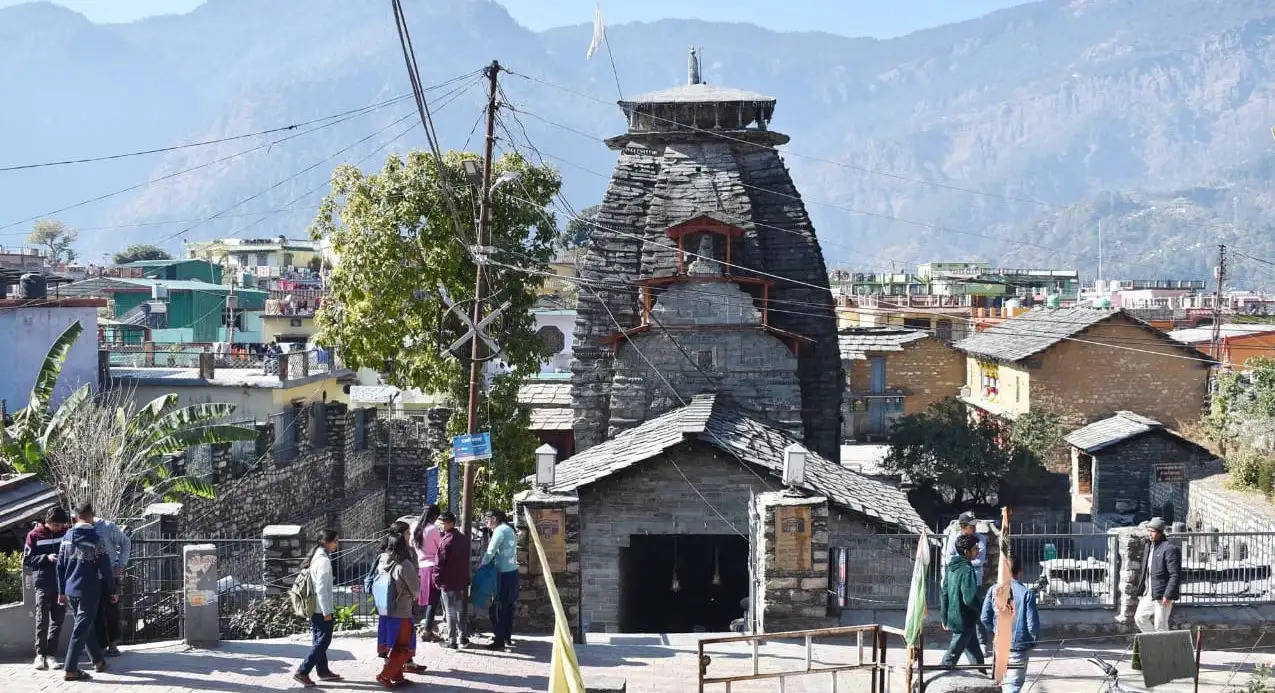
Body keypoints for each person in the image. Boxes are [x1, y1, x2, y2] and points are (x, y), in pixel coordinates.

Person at [56, 502, 117, 682]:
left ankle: (98, 661)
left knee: (85, 625)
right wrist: (112, 590)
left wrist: (61, 591)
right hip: (89, 590)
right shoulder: (95, 538)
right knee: (81, 628)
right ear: (91, 516)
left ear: (75, 516)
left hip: (70, 590)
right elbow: (105, 568)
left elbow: (59, 566)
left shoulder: (66, 536)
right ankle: (71, 669)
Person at [980, 555, 1040, 693]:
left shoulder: (994, 590)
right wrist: (1033, 641)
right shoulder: (1026, 594)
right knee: (1012, 685)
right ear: (1020, 572)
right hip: (1018, 646)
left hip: (1000, 643)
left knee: (1000, 682)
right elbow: (1032, 625)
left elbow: (984, 617)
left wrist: (995, 630)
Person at [293, 529, 342, 688]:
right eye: (335, 540)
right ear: (327, 542)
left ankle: (323, 671)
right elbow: (321, 588)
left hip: (315, 607)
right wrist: (327, 611)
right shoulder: (323, 560)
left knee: (318, 640)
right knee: (323, 641)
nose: (337, 543)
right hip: (321, 609)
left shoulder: (317, 556)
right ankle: (303, 671)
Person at [24, 506, 70, 670]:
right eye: (56, 525)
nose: (59, 528)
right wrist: (46, 558)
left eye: (61, 525)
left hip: (62, 584)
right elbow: (27, 559)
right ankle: (40, 655)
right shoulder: (34, 535)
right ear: (48, 522)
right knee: (41, 620)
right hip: (43, 583)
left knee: (57, 620)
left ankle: (51, 654)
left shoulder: (66, 533)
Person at [375, 533, 421, 688]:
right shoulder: (405, 565)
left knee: (395, 645)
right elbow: (415, 590)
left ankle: (398, 677)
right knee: (402, 647)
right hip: (401, 611)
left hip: (385, 609)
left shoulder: (381, 561)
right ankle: (385, 676)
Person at [89, 509, 131, 657]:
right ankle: (101, 644)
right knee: (96, 612)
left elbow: (125, 542)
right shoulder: (80, 529)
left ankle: (113, 643)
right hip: (91, 578)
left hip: (109, 576)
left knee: (112, 610)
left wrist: (121, 563)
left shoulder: (108, 527)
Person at [940, 534, 985, 669]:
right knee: (950, 658)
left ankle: (982, 677)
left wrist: (944, 617)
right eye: (975, 549)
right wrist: (980, 609)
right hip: (964, 620)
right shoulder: (967, 569)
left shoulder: (951, 568)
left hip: (955, 618)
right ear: (966, 552)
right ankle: (938, 679)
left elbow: (945, 594)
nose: (978, 551)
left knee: (976, 656)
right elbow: (969, 598)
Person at [479, 509, 518, 651]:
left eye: (487, 519)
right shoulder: (509, 529)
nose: (486, 523)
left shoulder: (500, 531)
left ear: (494, 519)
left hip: (503, 574)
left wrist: (481, 568)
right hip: (512, 572)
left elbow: (490, 552)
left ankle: (499, 640)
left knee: (497, 609)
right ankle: (506, 637)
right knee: (508, 608)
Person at [1133, 517, 1181, 633]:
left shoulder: (1169, 549)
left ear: (1160, 532)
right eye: (1148, 530)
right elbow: (1146, 571)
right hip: (1148, 593)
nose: (1150, 534)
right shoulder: (1149, 546)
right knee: (1139, 618)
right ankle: (1155, 643)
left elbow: (1175, 574)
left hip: (1162, 595)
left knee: (1161, 626)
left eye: (1153, 531)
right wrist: (1142, 590)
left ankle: (1164, 649)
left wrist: (1168, 595)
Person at [434, 511, 471, 649]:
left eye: (443, 523)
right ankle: (462, 636)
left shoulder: (446, 541)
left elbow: (439, 563)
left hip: (448, 581)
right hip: (460, 580)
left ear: (450, 523)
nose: (441, 526)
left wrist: (436, 579)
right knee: (460, 609)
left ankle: (452, 640)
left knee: (450, 610)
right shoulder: (463, 539)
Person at [410, 504, 442, 642]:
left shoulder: (415, 526)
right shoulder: (432, 529)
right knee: (433, 601)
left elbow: (412, 544)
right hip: (433, 566)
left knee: (427, 599)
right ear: (435, 516)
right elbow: (440, 547)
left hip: (422, 566)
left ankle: (425, 627)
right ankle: (427, 630)